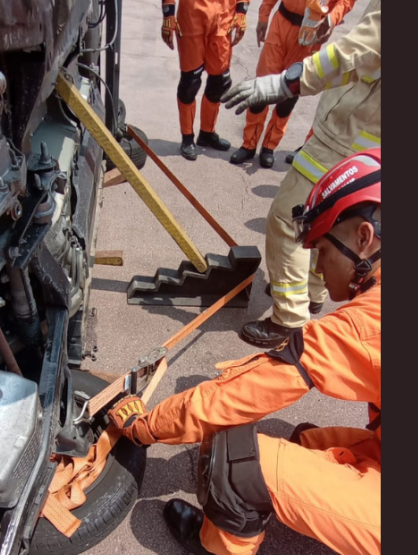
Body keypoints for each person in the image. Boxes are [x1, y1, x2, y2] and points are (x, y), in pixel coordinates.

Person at [107, 148, 382, 555]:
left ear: (363, 238)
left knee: (233, 461)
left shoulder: (368, 322)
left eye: (323, 250)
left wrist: (147, 426)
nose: (320, 270)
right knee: (308, 443)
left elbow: (250, 388)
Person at [221, 0, 380, 348]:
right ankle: (311, 292)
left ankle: (290, 320)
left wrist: (289, 82)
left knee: (288, 217)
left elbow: (359, 48)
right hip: (367, 139)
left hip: (348, 136)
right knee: (337, 223)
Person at [229, 0, 357, 168]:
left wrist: (332, 19)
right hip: (280, 24)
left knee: (289, 94)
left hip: (310, 32)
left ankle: (269, 147)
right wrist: (264, 15)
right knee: (261, 88)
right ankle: (248, 145)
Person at [161, 0, 249, 160]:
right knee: (190, 82)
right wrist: (168, 13)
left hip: (223, 16)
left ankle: (207, 133)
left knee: (221, 81)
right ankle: (187, 138)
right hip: (192, 16)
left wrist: (242, 10)